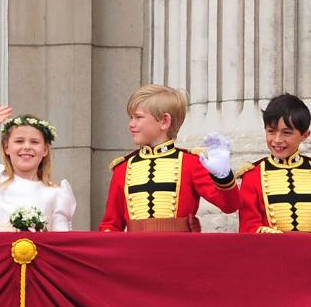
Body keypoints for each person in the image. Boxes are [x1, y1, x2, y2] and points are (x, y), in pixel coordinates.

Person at [99, 84, 240, 231]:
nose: (131, 124)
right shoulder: (123, 169)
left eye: (138, 117)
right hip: (134, 252)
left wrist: (223, 177)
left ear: (164, 121)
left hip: (179, 251)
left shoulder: (190, 163)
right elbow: (111, 224)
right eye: (131, 118)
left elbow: (230, 206)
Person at [237, 93, 311, 233]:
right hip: (271, 252)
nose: (277, 139)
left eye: (286, 133)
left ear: (304, 135)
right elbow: (248, 227)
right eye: (271, 131)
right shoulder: (252, 176)